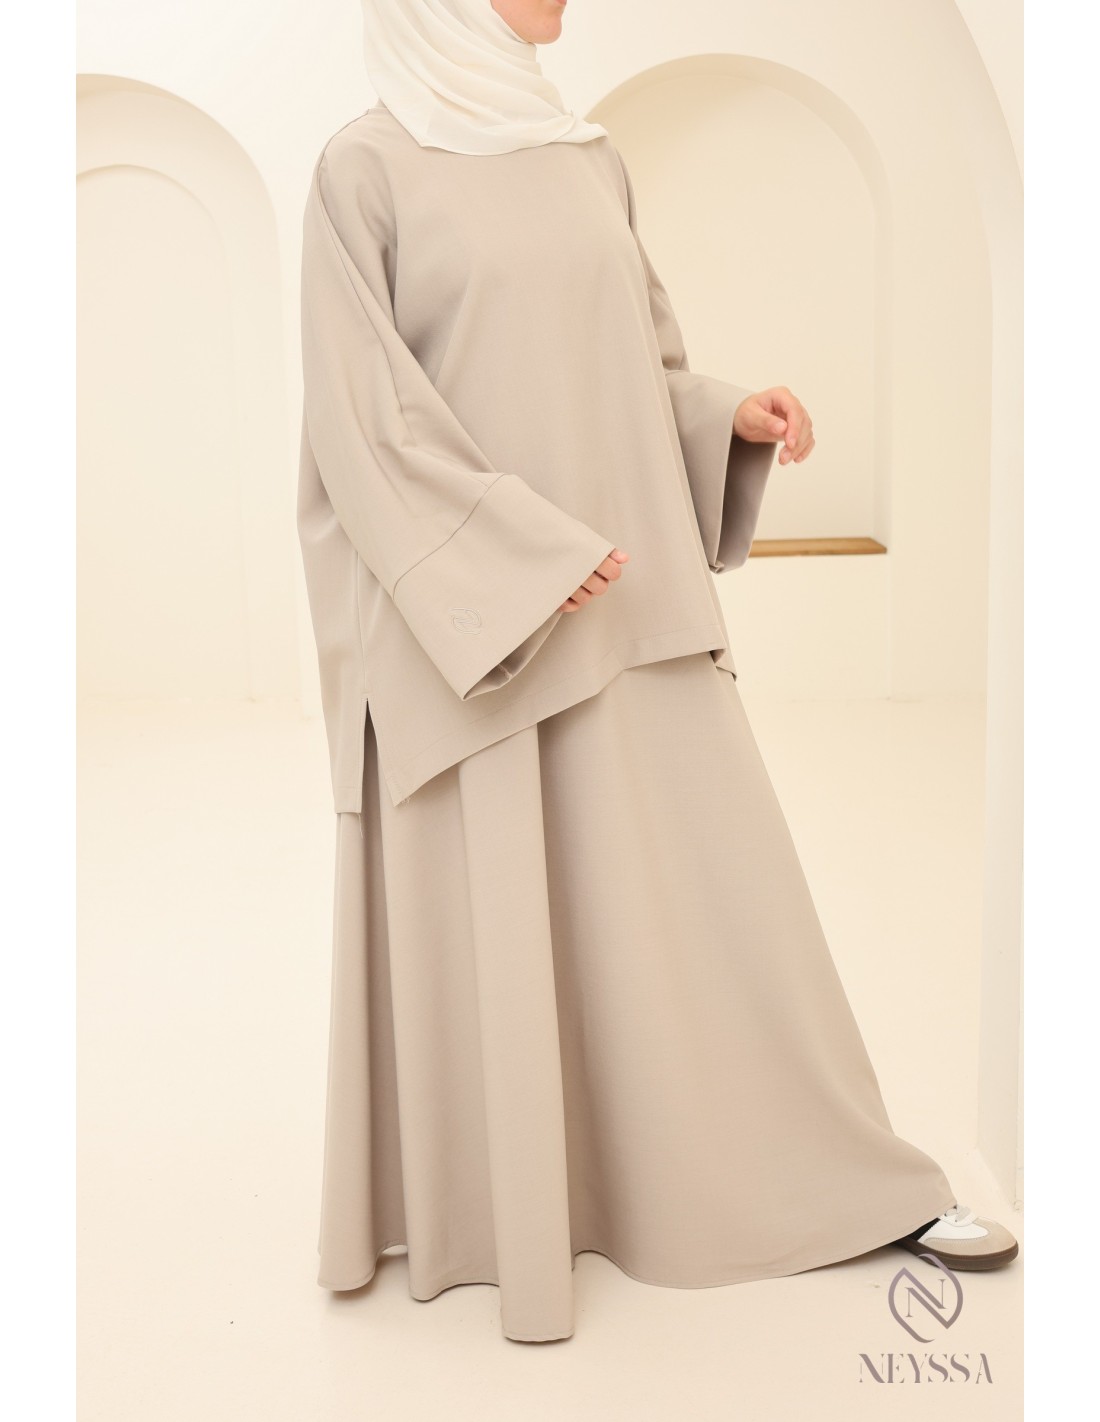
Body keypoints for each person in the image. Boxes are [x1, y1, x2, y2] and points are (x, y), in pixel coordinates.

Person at [296, 0, 1018, 1344]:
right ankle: (524, 1207)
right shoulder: (364, 170)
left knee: (719, 907)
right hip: (484, 629)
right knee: (517, 915)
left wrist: (723, 414)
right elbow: (365, 425)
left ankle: (829, 1176)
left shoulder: (585, 154)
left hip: (625, 597)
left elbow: (638, 361)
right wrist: (516, 556)